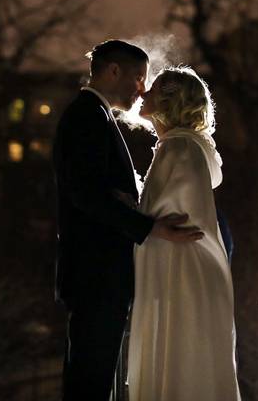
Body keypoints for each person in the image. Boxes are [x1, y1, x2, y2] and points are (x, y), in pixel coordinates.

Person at [53, 40, 204, 401]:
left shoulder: (94, 115)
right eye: (139, 77)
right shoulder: (87, 116)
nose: (142, 89)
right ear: (113, 71)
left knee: (94, 375)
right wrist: (150, 227)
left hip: (98, 272)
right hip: (96, 272)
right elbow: (85, 194)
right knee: (90, 378)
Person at [127, 66, 241, 401]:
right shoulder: (183, 148)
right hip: (186, 270)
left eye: (153, 90)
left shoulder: (177, 148)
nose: (143, 94)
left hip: (180, 271)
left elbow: (165, 215)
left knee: (178, 355)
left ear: (168, 100)